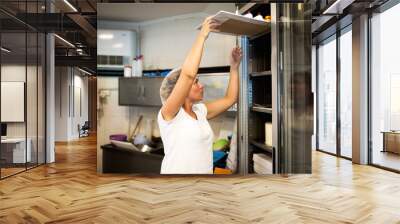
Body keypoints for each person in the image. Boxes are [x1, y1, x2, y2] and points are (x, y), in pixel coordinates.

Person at [158, 16, 243, 174]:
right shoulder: (169, 113)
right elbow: (188, 74)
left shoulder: (200, 111)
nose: (201, 85)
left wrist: (234, 67)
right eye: (196, 82)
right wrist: (202, 35)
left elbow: (230, 99)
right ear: (180, 89)